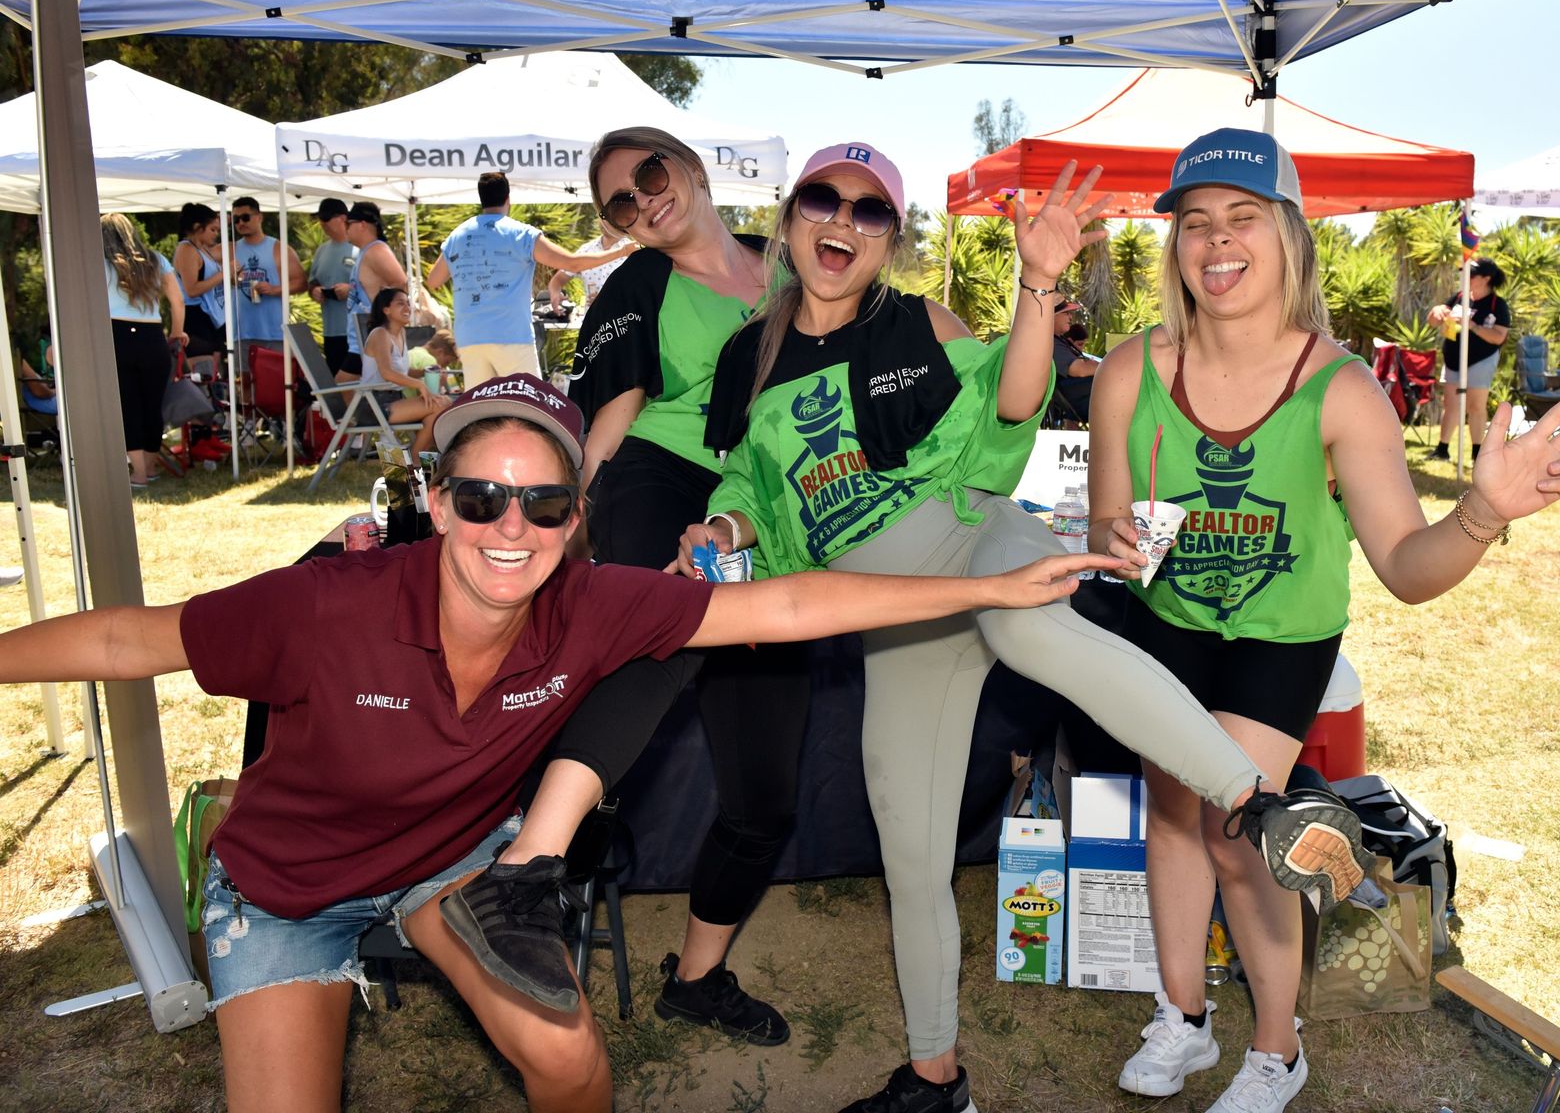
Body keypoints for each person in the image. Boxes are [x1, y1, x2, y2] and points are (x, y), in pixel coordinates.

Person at [0, 371, 1106, 1113]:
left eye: (542, 504)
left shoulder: (593, 603)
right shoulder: (325, 605)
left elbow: (786, 603)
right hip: (287, 887)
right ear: (439, 504)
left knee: (570, 1059)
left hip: (446, 862)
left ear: (576, 519)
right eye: (482, 497)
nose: (510, 528)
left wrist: (989, 588)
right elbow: (127, 635)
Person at [681, 143, 1373, 1113]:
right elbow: (750, 484)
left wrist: (1037, 283)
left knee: (1030, 632)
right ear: (789, 218)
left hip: (971, 537)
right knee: (910, 849)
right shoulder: (747, 357)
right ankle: (936, 1080)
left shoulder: (916, 323)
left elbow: (1011, 398)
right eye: (823, 200)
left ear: (890, 239)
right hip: (892, 613)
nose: (842, 222)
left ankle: (1260, 809)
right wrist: (722, 528)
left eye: (870, 210)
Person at [1088, 129, 1560, 1112]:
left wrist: (1480, 513)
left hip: (1280, 638)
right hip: (1167, 622)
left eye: (1242, 218)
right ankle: (1185, 1019)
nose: (1216, 240)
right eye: (1195, 222)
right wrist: (1116, 537)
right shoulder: (1131, 371)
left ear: (1289, 237)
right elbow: (1109, 526)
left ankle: (1276, 1053)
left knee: (1238, 832)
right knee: (1170, 813)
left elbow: (1408, 569)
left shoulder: (1341, 389)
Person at [443, 128, 811, 1046]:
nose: (643, 200)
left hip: (772, 507)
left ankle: (697, 979)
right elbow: (607, 425)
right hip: (663, 478)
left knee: (765, 795)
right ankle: (525, 872)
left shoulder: (792, 263)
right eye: (619, 201)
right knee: (668, 625)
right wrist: (560, 523)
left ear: (689, 166)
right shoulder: (638, 284)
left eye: (650, 175)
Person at [424, 171, 617, 385]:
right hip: (511, 336)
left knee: (484, 405)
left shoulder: (458, 235)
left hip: (469, 338)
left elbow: (433, 281)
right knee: (527, 401)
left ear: (481, 199)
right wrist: (621, 252)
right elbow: (572, 263)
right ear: (508, 199)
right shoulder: (521, 234)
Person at [100, 212, 187, 488]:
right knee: (152, 405)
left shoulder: (100, 263)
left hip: (117, 336)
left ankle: (138, 473)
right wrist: (177, 332)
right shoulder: (156, 260)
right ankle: (149, 467)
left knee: (128, 406)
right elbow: (177, 301)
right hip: (152, 336)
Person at [1428, 256, 1511, 462]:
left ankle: (1477, 452)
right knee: (1451, 404)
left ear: (1486, 278)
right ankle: (1442, 450)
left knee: (1475, 406)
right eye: (1463, 272)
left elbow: (1499, 337)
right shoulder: (1459, 297)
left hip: (1481, 360)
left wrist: (1471, 325)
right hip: (1453, 359)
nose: (1465, 277)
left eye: (1471, 274)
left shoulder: (1498, 305)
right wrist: (1436, 312)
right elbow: (1434, 322)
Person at [361, 287, 453, 427]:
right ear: (386, 310)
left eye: (408, 303)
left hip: (395, 399)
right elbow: (387, 373)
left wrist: (425, 372)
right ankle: (419, 443)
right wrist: (420, 384)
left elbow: (401, 372)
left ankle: (420, 443)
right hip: (374, 404)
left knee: (441, 406)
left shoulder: (401, 333)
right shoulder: (380, 334)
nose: (407, 308)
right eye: (400, 303)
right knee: (441, 404)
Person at [228, 196, 306, 359]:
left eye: (245, 217)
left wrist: (274, 289)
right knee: (244, 375)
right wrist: (232, 279)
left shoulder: (279, 248)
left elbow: (301, 283)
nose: (241, 223)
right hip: (241, 332)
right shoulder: (231, 249)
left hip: (274, 332)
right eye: (236, 219)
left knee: (275, 375)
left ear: (259, 217)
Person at [344, 201, 408, 369]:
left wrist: (385, 319)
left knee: (343, 383)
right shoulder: (366, 251)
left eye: (347, 224)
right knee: (348, 384)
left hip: (371, 338)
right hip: (362, 338)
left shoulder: (376, 250)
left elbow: (400, 282)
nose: (345, 230)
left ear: (362, 225)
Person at [307, 198, 363, 376]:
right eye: (320, 218)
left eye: (326, 218)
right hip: (331, 331)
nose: (322, 223)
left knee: (356, 383)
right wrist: (314, 291)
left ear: (343, 218)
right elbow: (312, 281)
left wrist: (351, 290)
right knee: (336, 382)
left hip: (357, 331)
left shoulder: (360, 248)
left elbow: (379, 286)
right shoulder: (321, 250)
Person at [172, 202, 228, 363]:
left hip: (211, 319)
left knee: (216, 371)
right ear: (197, 227)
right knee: (203, 371)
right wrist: (224, 274)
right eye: (212, 229)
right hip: (196, 319)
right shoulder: (187, 250)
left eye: (217, 230)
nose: (216, 234)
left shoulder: (202, 249)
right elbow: (192, 289)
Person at [545, 223, 638, 320]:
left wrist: (611, 299)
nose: (604, 221)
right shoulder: (586, 250)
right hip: (593, 322)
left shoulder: (633, 249)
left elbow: (641, 292)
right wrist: (555, 293)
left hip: (624, 321)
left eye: (608, 217)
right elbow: (558, 280)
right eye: (602, 216)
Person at [1051, 295, 1097, 421]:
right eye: (1066, 313)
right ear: (1052, 315)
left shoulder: (1059, 340)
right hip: (1077, 402)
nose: (1070, 317)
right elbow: (1080, 370)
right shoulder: (1050, 342)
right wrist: (1113, 367)